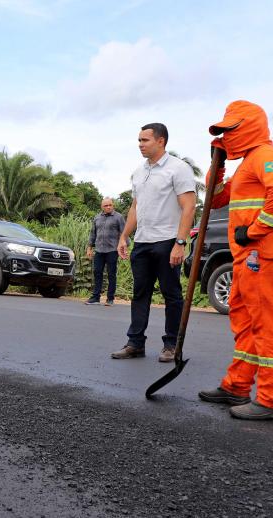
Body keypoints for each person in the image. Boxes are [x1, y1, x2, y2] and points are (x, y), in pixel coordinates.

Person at [197, 100, 273, 420]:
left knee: (265, 325)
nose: (227, 136)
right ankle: (237, 385)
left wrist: (254, 230)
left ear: (249, 126)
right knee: (244, 324)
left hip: (262, 255)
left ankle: (268, 399)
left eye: (231, 130)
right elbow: (215, 200)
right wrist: (218, 163)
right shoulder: (246, 163)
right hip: (244, 258)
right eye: (223, 132)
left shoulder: (265, 155)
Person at [112, 123, 197, 363]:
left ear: (161, 141)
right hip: (142, 242)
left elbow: (188, 207)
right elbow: (136, 207)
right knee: (140, 294)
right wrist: (124, 235)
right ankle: (135, 343)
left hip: (168, 240)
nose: (140, 144)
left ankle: (171, 345)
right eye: (139, 140)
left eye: (145, 140)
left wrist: (180, 242)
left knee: (172, 294)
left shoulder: (178, 169)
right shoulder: (139, 172)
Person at [85, 198, 126, 306]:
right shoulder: (97, 217)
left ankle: (110, 299)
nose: (108, 207)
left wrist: (123, 247)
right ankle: (95, 298)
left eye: (110, 205)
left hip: (112, 250)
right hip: (99, 250)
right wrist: (89, 247)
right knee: (97, 272)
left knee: (111, 274)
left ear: (113, 205)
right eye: (106, 205)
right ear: (102, 207)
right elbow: (93, 233)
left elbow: (124, 233)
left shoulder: (118, 217)